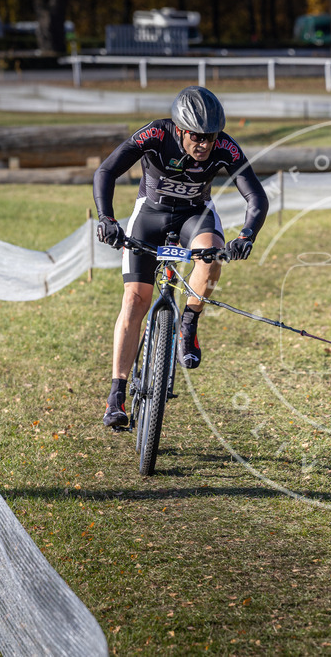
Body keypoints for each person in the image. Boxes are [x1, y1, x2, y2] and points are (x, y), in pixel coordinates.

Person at [93, 86, 269, 429]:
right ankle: (117, 393)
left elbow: (256, 198)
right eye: (196, 137)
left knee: (211, 256)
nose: (204, 145)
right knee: (134, 300)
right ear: (179, 129)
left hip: (195, 215)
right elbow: (106, 172)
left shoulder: (225, 147)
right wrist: (107, 219)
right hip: (150, 215)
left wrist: (247, 235)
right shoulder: (156, 134)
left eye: (210, 137)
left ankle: (189, 321)